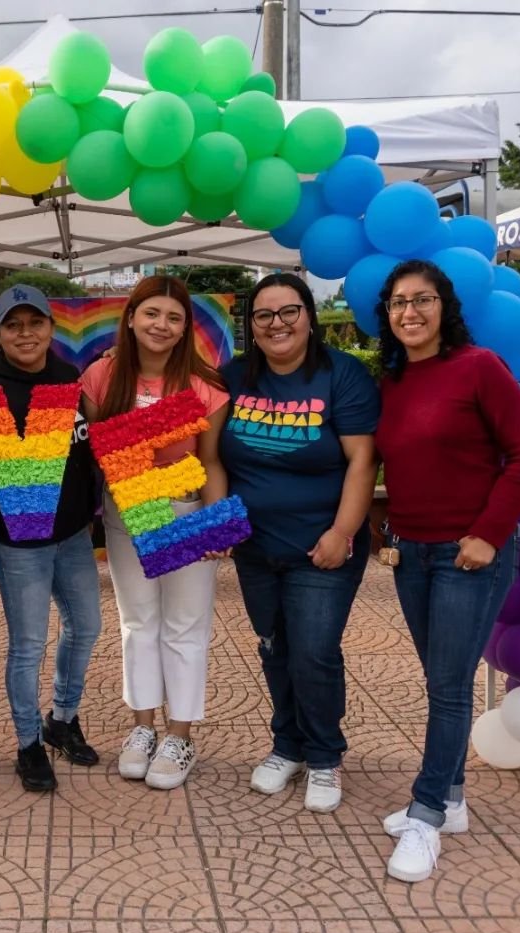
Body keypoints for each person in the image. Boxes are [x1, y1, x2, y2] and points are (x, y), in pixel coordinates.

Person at [373, 260, 520, 884]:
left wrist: (489, 536)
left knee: (448, 687)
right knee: (441, 678)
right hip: (412, 552)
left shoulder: (480, 367)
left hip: (467, 554)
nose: (409, 312)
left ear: (444, 306)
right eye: (397, 303)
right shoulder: (389, 380)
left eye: (421, 300)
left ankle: (425, 814)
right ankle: (453, 799)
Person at [218, 272, 379, 814]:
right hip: (255, 547)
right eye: (264, 315)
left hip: (322, 549)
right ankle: (287, 744)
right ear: (251, 327)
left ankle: (325, 755)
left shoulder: (343, 375)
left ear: (309, 316)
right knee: (274, 647)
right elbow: (213, 455)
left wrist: (342, 532)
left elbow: (362, 460)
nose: (277, 323)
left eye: (289, 311)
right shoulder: (235, 376)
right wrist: (219, 522)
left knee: (313, 652)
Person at [0, 284, 102, 792]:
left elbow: (85, 450)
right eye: (13, 325)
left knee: (86, 625)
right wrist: (10, 500)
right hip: (19, 540)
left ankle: (62, 718)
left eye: (34, 322)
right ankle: (28, 743)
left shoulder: (68, 379)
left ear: (50, 328)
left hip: (74, 533)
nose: (26, 333)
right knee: (29, 644)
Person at [79, 276, 229, 790]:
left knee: (185, 626)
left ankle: (180, 735)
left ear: (186, 327)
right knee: (138, 623)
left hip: (185, 512)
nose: (160, 325)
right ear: (131, 317)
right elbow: (99, 452)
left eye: (173, 317)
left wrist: (217, 523)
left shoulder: (205, 387)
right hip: (126, 515)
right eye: (151, 314)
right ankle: (142, 729)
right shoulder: (101, 377)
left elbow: (209, 461)